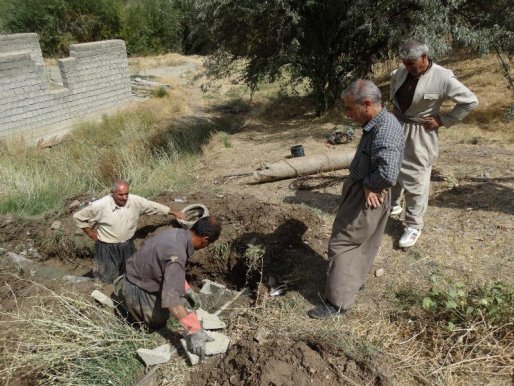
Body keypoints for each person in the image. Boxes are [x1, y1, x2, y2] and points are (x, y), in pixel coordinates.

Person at [308, 80, 404, 319]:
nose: (348, 114)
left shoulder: (385, 130)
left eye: (350, 108)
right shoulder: (379, 122)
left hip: (367, 194)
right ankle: (353, 281)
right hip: (367, 190)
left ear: (368, 104)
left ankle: (336, 302)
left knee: (343, 243)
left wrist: (370, 186)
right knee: (364, 241)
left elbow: (388, 173)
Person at [390, 39, 478, 247]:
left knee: (416, 176)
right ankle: (392, 204)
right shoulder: (398, 74)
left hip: (420, 132)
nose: (407, 67)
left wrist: (443, 120)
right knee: (391, 166)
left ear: (424, 57)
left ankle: (413, 225)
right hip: (396, 125)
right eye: (404, 62)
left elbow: (470, 101)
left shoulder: (443, 77)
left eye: (411, 63)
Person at [117, 216, 222, 360]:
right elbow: (173, 303)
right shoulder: (177, 254)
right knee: (158, 323)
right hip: (136, 287)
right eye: (208, 244)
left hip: (138, 272)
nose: (206, 246)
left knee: (178, 302)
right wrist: (195, 331)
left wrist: (185, 288)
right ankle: (128, 309)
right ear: (205, 240)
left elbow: (166, 265)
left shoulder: (177, 233)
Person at [73, 180, 185, 283]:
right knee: (106, 279)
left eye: (127, 194)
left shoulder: (135, 201)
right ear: (112, 193)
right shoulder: (100, 205)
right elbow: (78, 217)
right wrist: (91, 233)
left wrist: (174, 212)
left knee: (129, 275)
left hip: (127, 245)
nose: (124, 198)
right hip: (107, 247)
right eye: (120, 195)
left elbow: (153, 206)